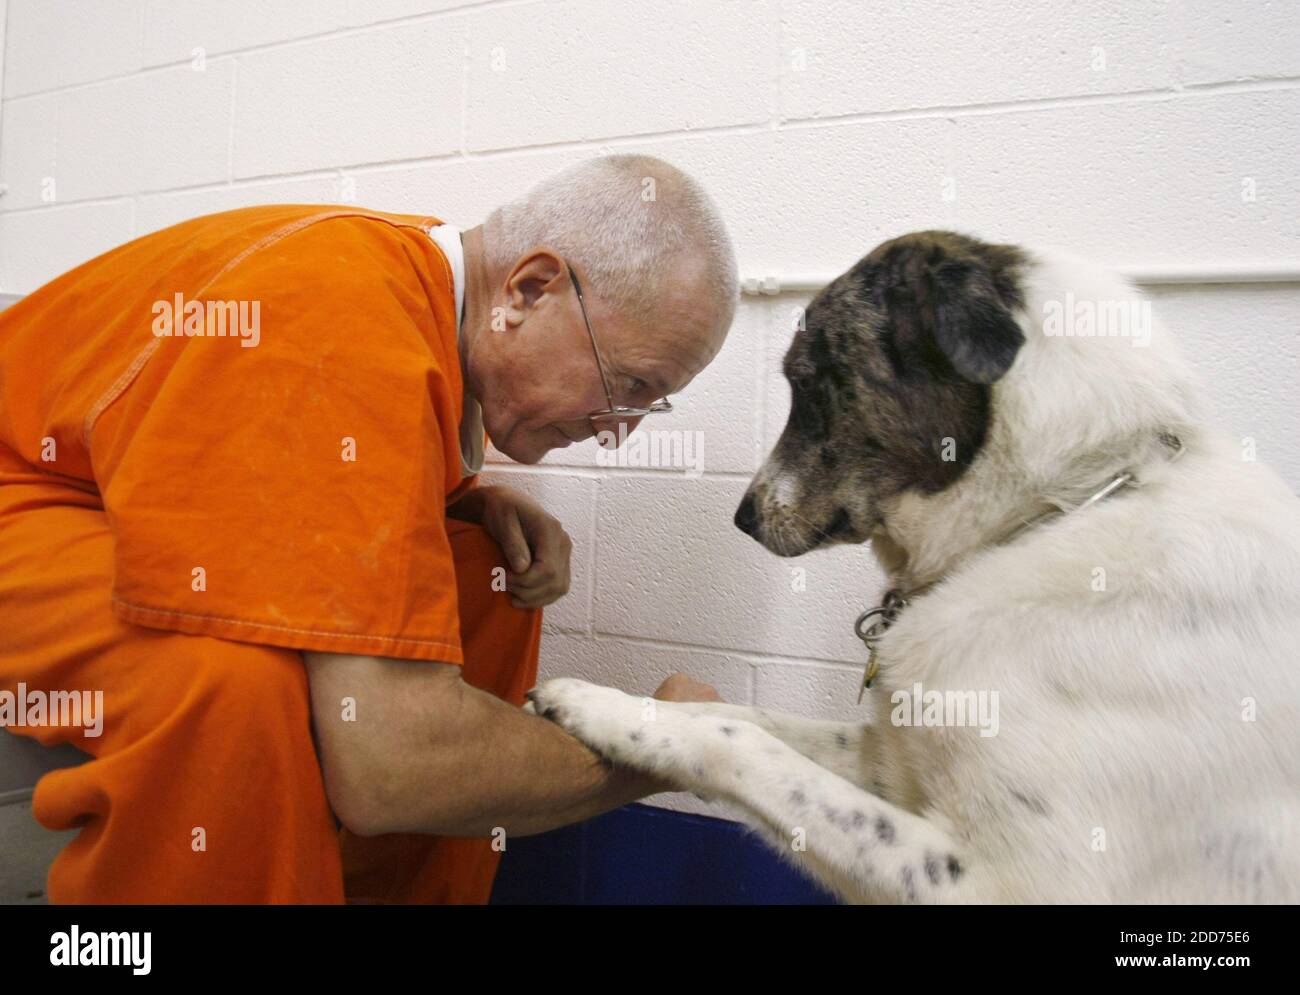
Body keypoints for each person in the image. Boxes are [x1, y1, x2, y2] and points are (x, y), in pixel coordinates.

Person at [0, 154, 738, 902]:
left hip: (102, 487)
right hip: (22, 489)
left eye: (651, 406)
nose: (618, 431)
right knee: (233, 689)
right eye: (629, 386)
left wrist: (459, 500)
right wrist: (662, 748)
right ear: (529, 288)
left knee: (487, 568)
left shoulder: (423, 306)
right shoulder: (347, 315)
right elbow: (388, 768)